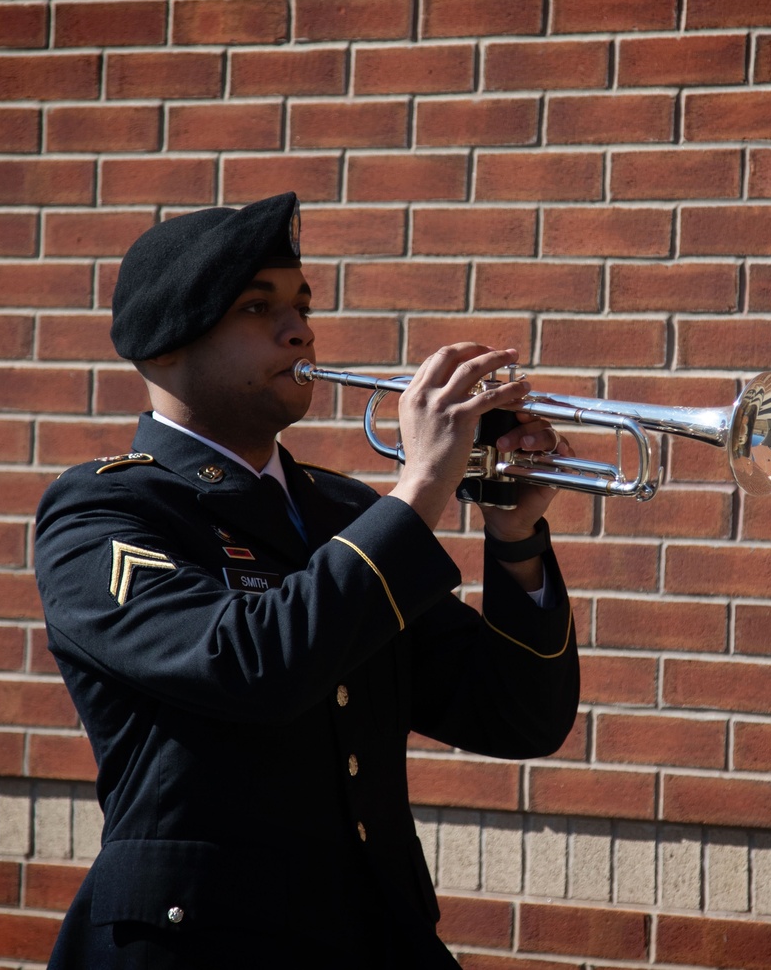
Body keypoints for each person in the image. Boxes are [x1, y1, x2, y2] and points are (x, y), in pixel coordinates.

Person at [34, 191, 579, 968]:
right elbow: (250, 664)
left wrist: (516, 536)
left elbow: (517, 718)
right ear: (164, 347)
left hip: (373, 935)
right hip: (199, 948)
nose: (301, 330)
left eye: (302, 304)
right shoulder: (106, 508)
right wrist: (421, 490)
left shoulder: (346, 512)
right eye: (259, 307)